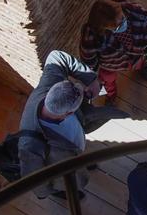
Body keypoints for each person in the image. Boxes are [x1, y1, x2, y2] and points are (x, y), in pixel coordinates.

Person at [18, 50, 127, 200]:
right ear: (68, 114)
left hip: (74, 146)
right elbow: (34, 180)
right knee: (72, 182)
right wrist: (45, 193)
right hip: (63, 166)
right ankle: (65, 192)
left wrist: (91, 80)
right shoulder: (30, 146)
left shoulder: (51, 85)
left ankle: (83, 159)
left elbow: (57, 57)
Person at [78, 0, 147, 104]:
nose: (121, 25)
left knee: (139, 62)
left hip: (137, 55)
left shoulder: (139, 14)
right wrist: (93, 75)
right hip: (110, 65)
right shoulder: (91, 35)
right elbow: (89, 58)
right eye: (115, 27)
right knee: (108, 81)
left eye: (122, 19)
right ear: (103, 27)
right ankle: (111, 95)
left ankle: (141, 66)